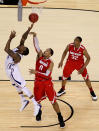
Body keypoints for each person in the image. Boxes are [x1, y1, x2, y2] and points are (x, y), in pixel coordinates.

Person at [29, 32, 65, 128]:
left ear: (50, 54)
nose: (45, 51)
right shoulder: (39, 57)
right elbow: (37, 47)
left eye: (47, 51)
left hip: (47, 83)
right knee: (37, 101)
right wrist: (35, 36)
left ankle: (60, 117)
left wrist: (36, 72)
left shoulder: (51, 62)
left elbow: (47, 75)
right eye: (45, 50)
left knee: (53, 101)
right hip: (38, 83)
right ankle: (39, 112)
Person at [4, 24, 40, 116]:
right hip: (8, 70)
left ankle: (36, 104)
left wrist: (10, 38)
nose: (21, 45)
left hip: (13, 72)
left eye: (22, 47)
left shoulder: (17, 56)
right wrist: (28, 30)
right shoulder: (19, 48)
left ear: (22, 52)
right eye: (22, 46)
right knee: (16, 86)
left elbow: (6, 49)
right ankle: (23, 100)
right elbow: (24, 38)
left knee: (22, 86)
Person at [57, 36, 97, 101]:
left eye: (76, 40)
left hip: (80, 64)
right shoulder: (70, 46)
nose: (74, 41)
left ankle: (92, 92)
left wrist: (83, 68)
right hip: (70, 63)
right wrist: (61, 61)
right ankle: (62, 89)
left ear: (79, 42)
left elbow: (88, 58)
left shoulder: (82, 49)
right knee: (64, 77)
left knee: (86, 78)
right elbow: (65, 52)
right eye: (74, 40)